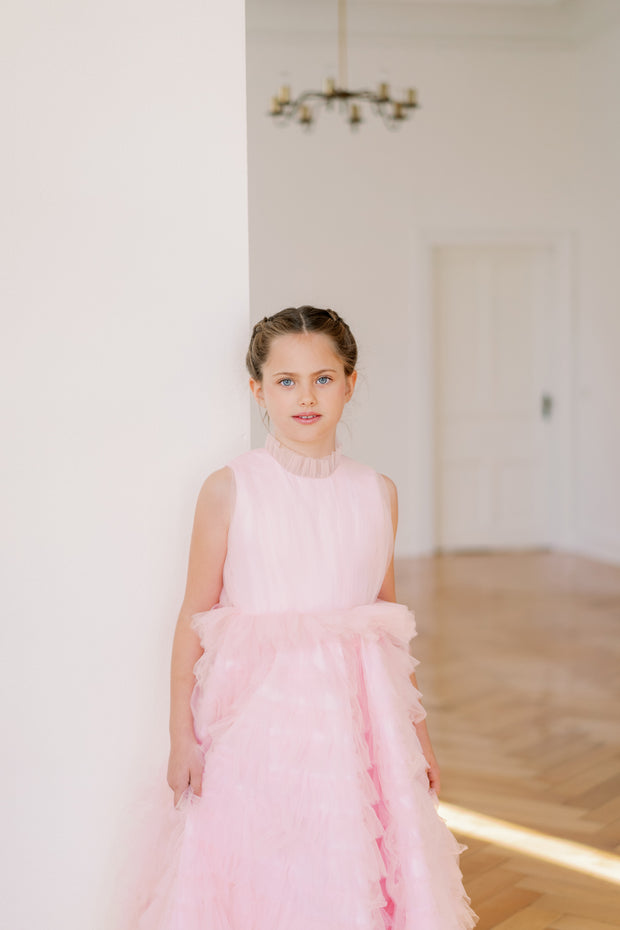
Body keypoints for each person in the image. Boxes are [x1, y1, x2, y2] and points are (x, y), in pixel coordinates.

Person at [130, 305, 479, 929]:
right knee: (262, 867)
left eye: (323, 377)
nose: (306, 396)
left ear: (350, 382)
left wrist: (417, 736)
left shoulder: (377, 492)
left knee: (349, 868)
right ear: (257, 389)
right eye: (286, 381)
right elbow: (194, 615)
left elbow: (385, 623)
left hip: (359, 724)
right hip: (254, 726)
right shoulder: (230, 488)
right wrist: (182, 734)